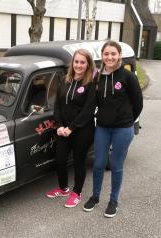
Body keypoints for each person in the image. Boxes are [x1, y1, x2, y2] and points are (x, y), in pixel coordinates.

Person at [83, 40, 143, 218]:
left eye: (113, 54)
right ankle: (95, 197)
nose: (109, 57)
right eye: (106, 54)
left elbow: (138, 103)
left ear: (119, 56)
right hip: (102, 128)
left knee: (116, 166)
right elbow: (92, 102)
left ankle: (113, 200)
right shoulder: (97, 77)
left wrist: (127, 121)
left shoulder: (127, 76)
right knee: (98, 164)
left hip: (122, 130)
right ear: (102, 56)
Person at [46, 49, 96, 208]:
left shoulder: (90, 83)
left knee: (79, 162)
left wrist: (71, 128)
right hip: (64, 130)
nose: (79, 65)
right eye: (76, 62)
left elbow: (88, 110)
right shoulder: (65, 80)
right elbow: (58, 106)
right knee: (60, 160)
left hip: (83, 130)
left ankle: (77, 192)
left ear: (88, 64)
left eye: (82, 62)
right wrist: (60, 126)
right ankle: (63, 188)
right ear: (72, 63)